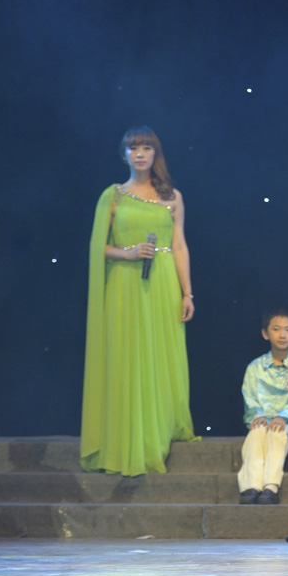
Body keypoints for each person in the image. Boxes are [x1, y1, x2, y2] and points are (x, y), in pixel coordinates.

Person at [81, 126, 197, 476]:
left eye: (147, 148)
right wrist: (128, 253)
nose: (140, 153)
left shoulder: (172, 196)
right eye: (133, 148)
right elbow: (97, 247)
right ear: (124, 155)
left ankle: (159, 432)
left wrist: (187, 292)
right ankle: (128, 439)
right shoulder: (113, 196)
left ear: (155, 154)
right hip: (125, 284)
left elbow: (179, 246)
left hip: (162, 285)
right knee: (128, 356)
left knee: (159, 355)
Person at [238, 309, 288, 505]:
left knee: (277, 432)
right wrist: (258, 415)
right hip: (263, 420)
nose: (282, 335)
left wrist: (283, 417)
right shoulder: (255, 367)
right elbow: (250, 396)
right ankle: (251, 486)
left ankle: (270, 487)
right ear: (265, 333)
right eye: (276, 329)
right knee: (257, 432)